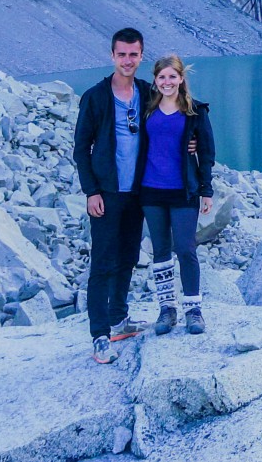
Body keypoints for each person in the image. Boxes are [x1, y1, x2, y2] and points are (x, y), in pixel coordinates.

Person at [72, 28, 154, 363]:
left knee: (128, 257)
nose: (127, 60)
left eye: (133, 54)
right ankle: (99, 335)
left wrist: (193, 143)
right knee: (103, 262)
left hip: (136, 192)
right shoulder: (95, 97)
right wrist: (91, 191)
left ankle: (120, 318)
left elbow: (171, 125)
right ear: (112, 56)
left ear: (141, 56)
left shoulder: (147, 93)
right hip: (107, 192)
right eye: (122, 54)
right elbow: (81, 148)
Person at [134, 54, 216, 336]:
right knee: (160, 251)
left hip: (184, 190)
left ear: (181, 78)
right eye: (162, 77)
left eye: (172, 76)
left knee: (185, 248)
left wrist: (207, 191)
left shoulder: (195, 112)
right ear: (155, 81)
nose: (167, 82)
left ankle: (193, 310)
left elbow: (206, 153)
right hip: (151, 190)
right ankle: (167, 309)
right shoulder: (147, 108)